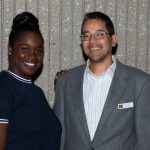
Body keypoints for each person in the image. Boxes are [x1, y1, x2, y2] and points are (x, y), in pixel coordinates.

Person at [53, 11, 150, 150]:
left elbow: (144, 141)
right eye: (86, 35)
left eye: (100, 34)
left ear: (114, 40)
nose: (92, 41)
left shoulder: (140, 83)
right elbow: (59, 137)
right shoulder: (65, 82)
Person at [0, 12, 61, 150]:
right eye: (25, 49)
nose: (32, 56)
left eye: (38, 50)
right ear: (11, 48)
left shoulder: (36, 91)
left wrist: (62, 88)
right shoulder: (3, 87)